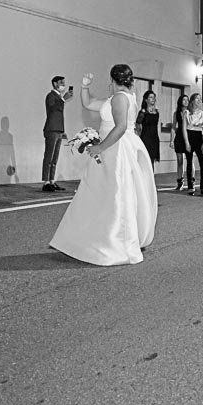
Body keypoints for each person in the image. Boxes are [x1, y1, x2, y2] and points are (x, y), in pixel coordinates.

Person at [50, 64, 157, 265]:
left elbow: (121, 127)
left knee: (112, 192)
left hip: (115, 147)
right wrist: (85, 87)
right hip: (114, 145)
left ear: (113, 79)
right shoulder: (121, 97)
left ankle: (112, 241)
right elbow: (89, 103)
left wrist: (100, 147)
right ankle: (99, 235)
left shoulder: (119, 98)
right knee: (103, 192)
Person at [42, 75, 74, 192]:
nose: (63, 85)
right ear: (55, 84)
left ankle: (52, 180)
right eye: (61, 83)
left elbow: (58, 116)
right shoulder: (51, 96)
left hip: (58, 130)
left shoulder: (59, 97)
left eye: (64, 83)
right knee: (49, 157)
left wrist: (62, 130)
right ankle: (46, 182)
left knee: (55, 158)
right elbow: (52, 110)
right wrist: (63, 99)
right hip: (51, 129)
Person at [184, 93, 203, 196]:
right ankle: (190, 186)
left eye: (200, 99)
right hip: (189, 135)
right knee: (189, 162)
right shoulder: (186, 113)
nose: (199, 101)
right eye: (197, 99)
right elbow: (184, 129)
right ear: (192, 101)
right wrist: (186, 143)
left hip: (199, 136)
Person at [135, 90, 160, 169]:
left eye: (154, 97)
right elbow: (137, 123)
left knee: (152, 160)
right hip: (145, 138)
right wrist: (139, 134)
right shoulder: (143, 112)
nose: (153, 99)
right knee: (146, 160)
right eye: (151, 97)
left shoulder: (157, 112)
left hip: (154, 138)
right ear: (146, 100)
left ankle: (151, 176)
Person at [170, 94, 189, 191]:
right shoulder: (176, 113)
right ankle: (180, 182)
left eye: (187, 100)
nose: (186, 101)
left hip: (188, 137)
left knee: (189, 160)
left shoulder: (190, 112)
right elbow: (173, 127)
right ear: (180, 101)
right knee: (179, 160)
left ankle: (192, 181)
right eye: (184, 100)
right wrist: (171, 140)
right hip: (179, 137)